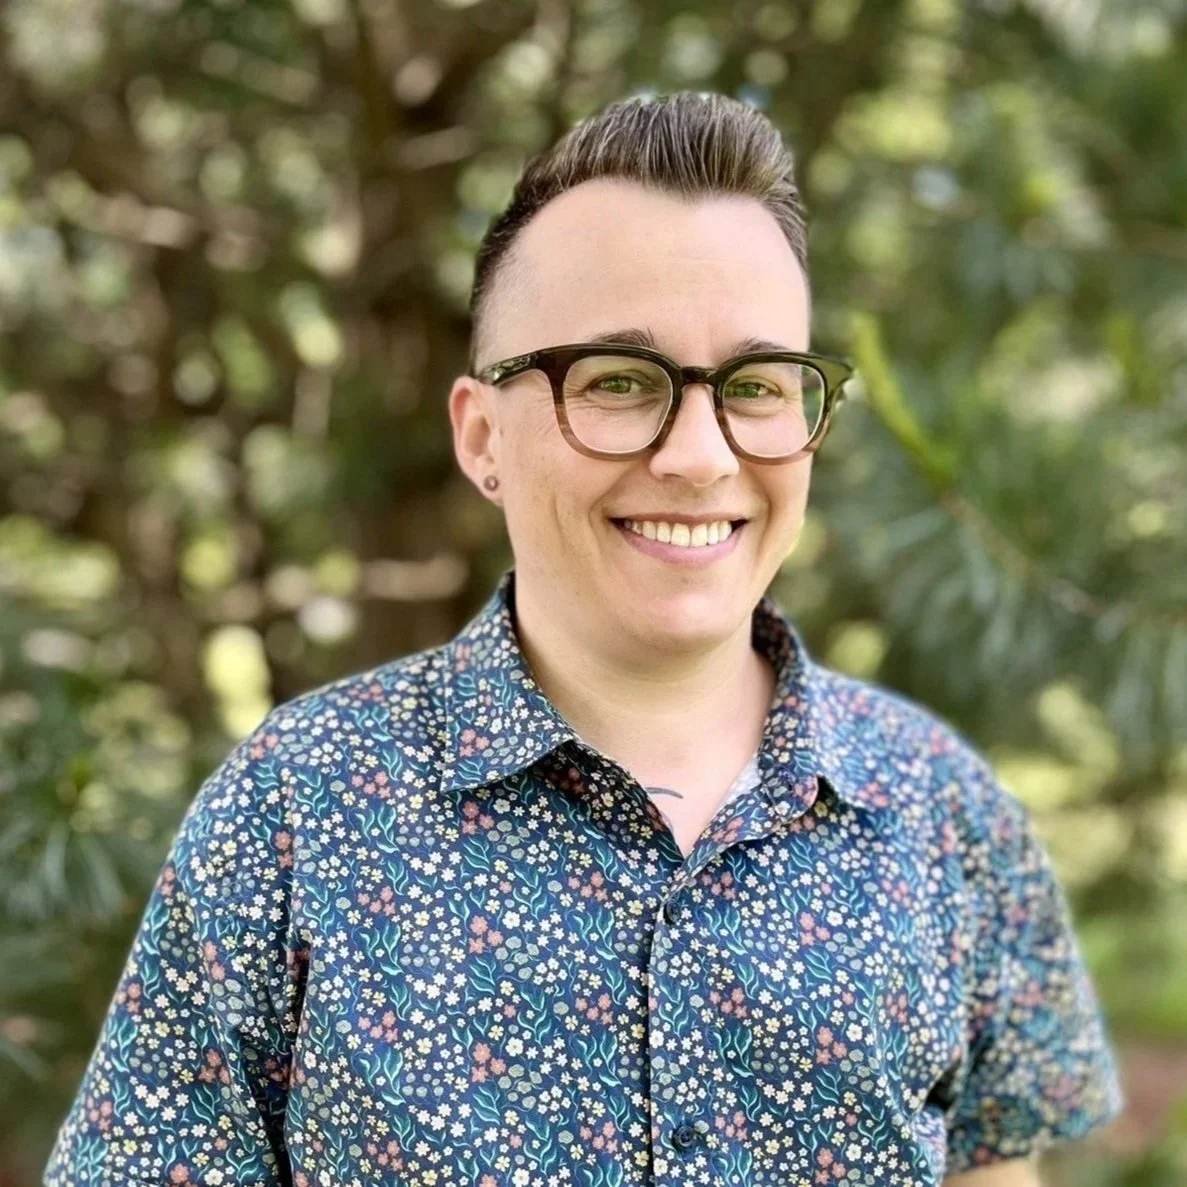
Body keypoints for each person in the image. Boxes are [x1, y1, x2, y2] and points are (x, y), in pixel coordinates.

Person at [45, 91, 1124, 1187]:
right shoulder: (292, 811)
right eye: (617, 381)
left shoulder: (947, 812)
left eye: (753, 385)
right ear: (480, 437)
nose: (700, 456)